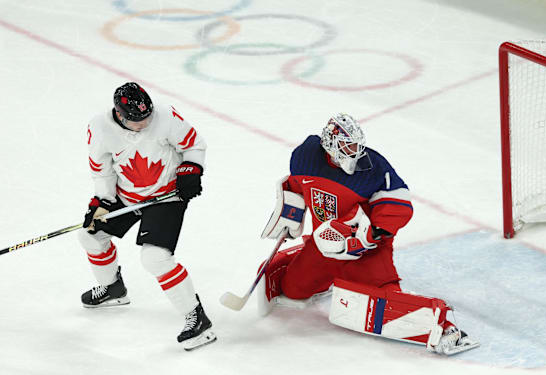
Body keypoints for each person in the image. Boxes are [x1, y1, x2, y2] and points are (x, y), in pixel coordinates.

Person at [257, 113, 478, 355]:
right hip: (324, 243)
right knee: (293, 290)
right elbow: (296, 186)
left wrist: (368, 237)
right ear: (330, 144)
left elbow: (398, 204)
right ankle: (314, 266)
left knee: (387, 300)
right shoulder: (305, 156)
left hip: (364, 250)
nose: (355, 151)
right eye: (347, 145)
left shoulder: (373, 168)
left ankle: (444, 329)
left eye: (356, 144)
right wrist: (290, 212)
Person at [79, 82, 216, 351]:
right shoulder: (99, 128)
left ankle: (197, 318)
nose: (145, 123)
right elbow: (102, 170)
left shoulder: (165, 117)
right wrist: (102, 202)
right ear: (119, 115)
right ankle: (113, 289)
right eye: (137, 120)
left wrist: (191, 168)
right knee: (90, 236)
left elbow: (194, 144)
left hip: (166, 197)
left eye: (147, 116)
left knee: (155, 258)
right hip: (126, 196)